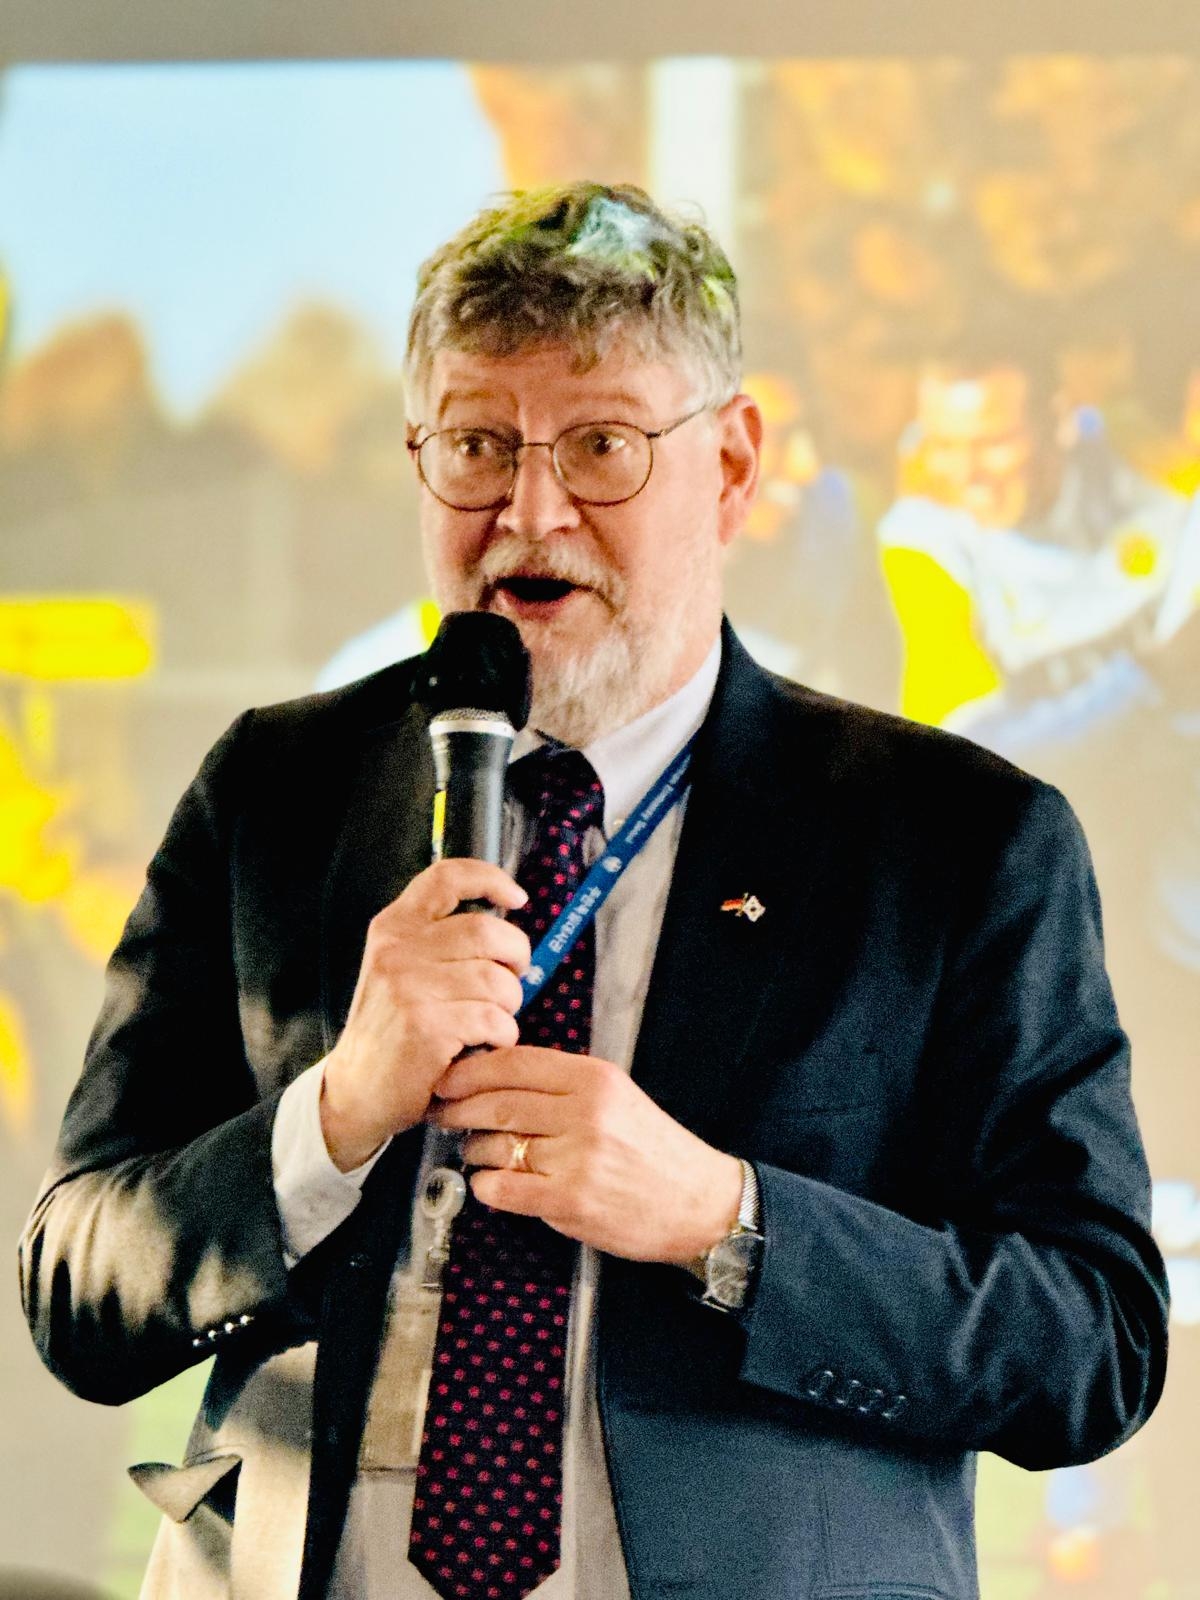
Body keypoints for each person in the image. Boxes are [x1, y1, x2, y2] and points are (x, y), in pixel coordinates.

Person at [20, 183, 1168, 1600]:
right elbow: (76, 1290)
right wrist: (331, 1114)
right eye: (478, 445)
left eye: (604, 446)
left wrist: (725, 1219)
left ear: (734, 465)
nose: (532, 511)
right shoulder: (277, 793)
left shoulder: (956, 841)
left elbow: (1093, 1341)